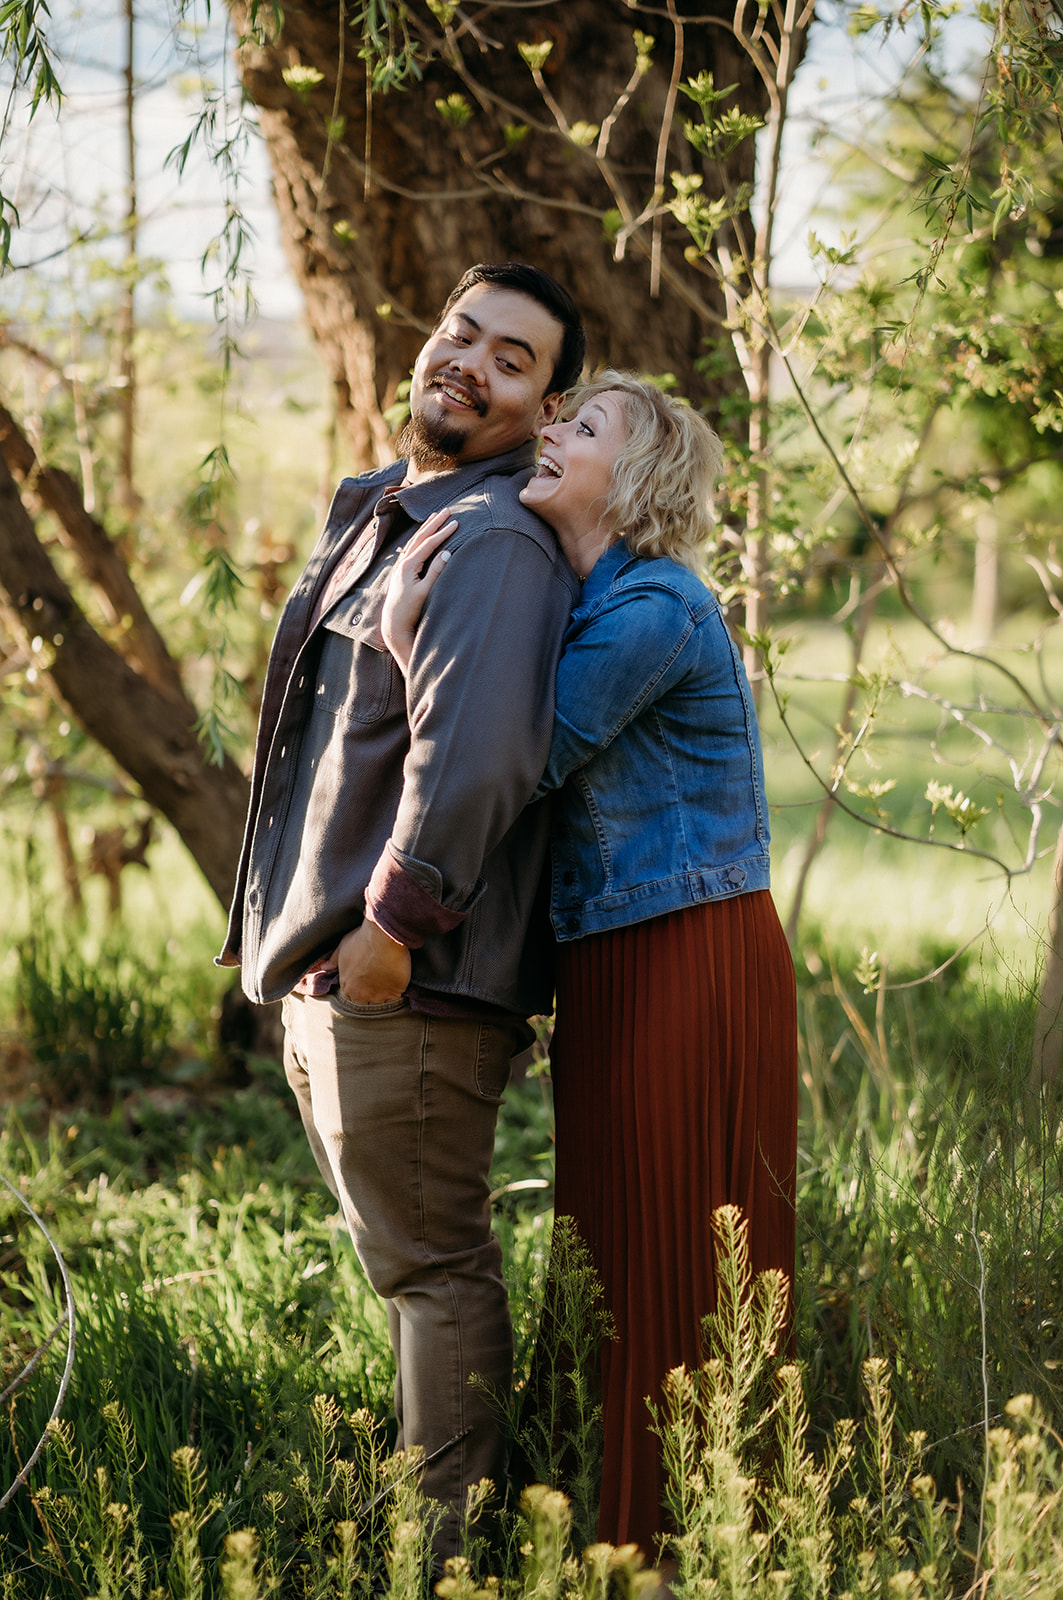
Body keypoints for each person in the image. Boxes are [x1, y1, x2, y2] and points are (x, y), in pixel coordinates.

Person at [382, 372, 798, 1560]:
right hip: (619, 958)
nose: (551, 431)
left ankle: (661, 1549)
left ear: (639, 479)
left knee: (672, 1235)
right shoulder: (588, 601)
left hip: (687, 952)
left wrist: (411, 648)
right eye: (559, 417)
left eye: (584, 426)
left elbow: (515, 758)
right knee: (613, 1233)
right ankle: (619, 1523)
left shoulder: (654, 611)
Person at [217, 263, 587, 1561]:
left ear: (547, 411)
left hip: (406, 980)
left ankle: (449, 1562)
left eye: (511, 359)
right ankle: (441, 1532)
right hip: (337, 973)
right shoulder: (392, 512)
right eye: (460, 332)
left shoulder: (488, 541)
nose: (468, 363)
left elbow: (475, 762)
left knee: (433, 1275)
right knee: (410, 1273)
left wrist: (384, 939)